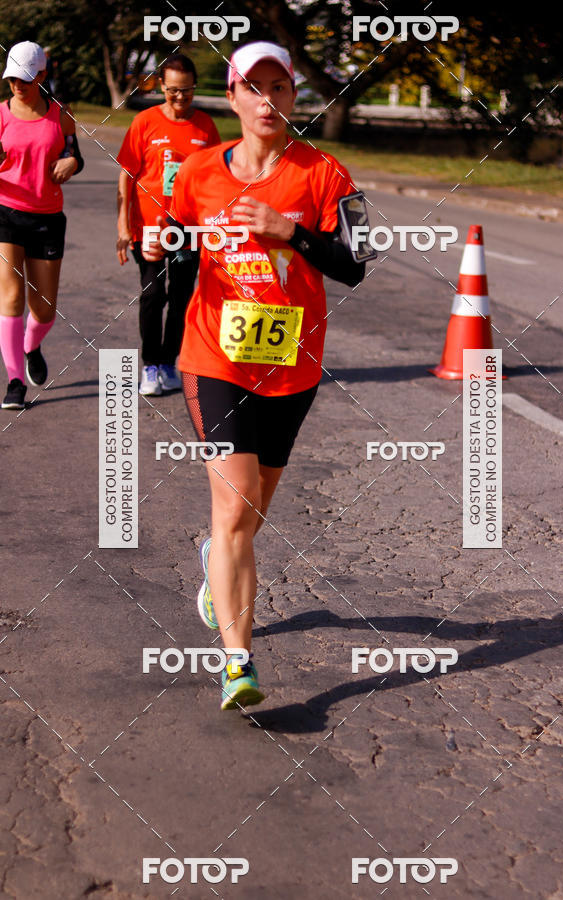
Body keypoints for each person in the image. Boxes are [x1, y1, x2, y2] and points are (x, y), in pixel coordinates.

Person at [145, 41, 369, 711]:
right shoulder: (198, 172)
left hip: (291, 368)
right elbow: (177, 249)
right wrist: (161, 243)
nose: (267, 100)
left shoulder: (326, 174)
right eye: (253, 86)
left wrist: (290, 233)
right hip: (212, 361)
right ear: (234, 96)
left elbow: (357, 261)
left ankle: (218, 563)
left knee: (250, 513)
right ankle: (237, 662)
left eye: (281, 87)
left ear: (293, 97)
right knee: (237, 507)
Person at [116, 53, 220, 396]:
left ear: (194, 87)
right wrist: (122, 226)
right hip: (147, 225)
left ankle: (167, 363)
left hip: (187, 228)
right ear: (161, 85)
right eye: (173, 90)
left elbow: (218, 180)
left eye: (186, 91)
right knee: (152, 293)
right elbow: (126, 175)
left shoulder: (206, 127)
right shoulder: (144, 122)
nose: (179, 97)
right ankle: (149, 365)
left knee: (180, 297)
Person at [0, 41, 84, 410]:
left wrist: (72, 164)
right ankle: (15, 381)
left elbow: (73, 155)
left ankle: (31, 345)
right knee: (12, 297)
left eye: (24, 78)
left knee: (45, 308)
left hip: (48, 217)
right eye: (12, 78)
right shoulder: (0, 114)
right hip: (6, 212)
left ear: (42, 76)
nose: (17, 84)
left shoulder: (60, 115)